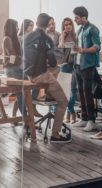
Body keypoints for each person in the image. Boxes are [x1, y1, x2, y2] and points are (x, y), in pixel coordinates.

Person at [24, 13, 71, 143]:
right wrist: (52, 62)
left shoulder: (27, 37)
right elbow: (53, 62)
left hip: (29, 75)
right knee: (63, 101)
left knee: (52, 74)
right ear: (47, 24)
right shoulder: (46, 39)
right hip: (41, 76)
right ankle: (55, 134)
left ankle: (50, 95)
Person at [73, 6, 101, 132]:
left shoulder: (92, 29)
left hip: (88, 66)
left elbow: (97, 47)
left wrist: (82, 50)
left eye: (77, 17)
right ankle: (84, 118)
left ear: (84, 17)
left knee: (87, 93)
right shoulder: (79, 30)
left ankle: (92, 121)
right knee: (81, 93)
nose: (75, 20)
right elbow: (78, 47)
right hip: (78, 65)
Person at [2, 19, 24, 114]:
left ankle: (15, 117)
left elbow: (15, 57)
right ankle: (26, 120)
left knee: (20, 94)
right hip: (13, 70)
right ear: (12, 28)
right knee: (22, 94)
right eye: (16, 26)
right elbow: (13, 57)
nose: (18, 28)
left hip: (15, 68)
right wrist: (22, 59)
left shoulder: (12, 39)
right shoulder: (7, 39)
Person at [58, 17, 77, 124]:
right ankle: (71, 111)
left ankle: (70, 113)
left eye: (69, 24)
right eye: (66, 24)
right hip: (65, 66)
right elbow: (60, 51)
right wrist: (63, 38)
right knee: (65, 91)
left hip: (75, 65)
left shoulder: (75, 36)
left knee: (73, 90)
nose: (68, 26)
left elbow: (79, 49)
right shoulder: (62, 36)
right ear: (63, 26)